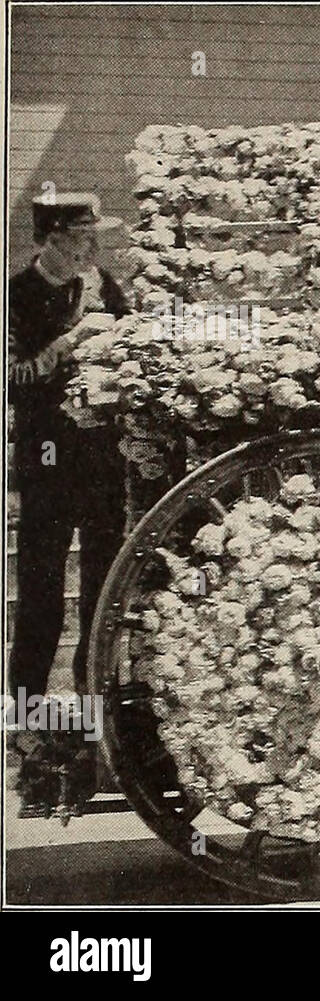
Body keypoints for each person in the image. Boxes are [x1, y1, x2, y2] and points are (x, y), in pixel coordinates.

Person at [7, 193, 129, 702]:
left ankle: (93, 696)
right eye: (82, 235)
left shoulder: (103, 286)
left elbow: (131, 346)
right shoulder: (16, 294)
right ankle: (28, 704)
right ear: (51, 238)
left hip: (101, 454)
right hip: (47, 455)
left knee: (103, 580)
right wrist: (68, 342)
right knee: (42, 588)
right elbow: (11, 378)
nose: (92, 246)